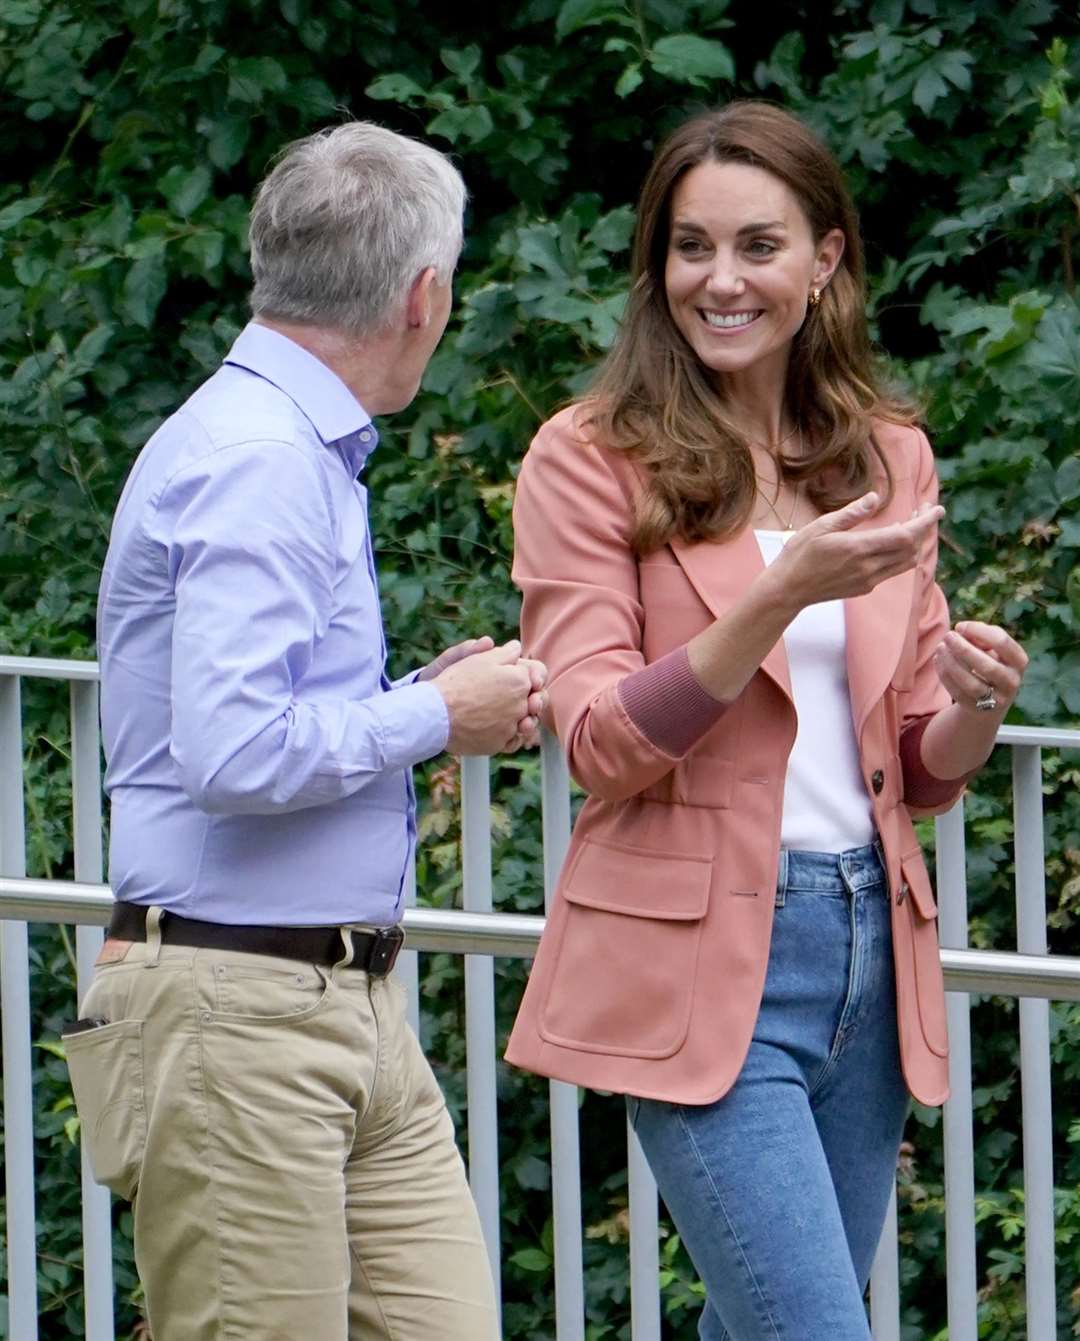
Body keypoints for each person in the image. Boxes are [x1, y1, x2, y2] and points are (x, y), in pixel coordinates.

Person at [505, 102, 1028, 1340]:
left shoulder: (887, 455)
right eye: (692, 248)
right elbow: (599, 744)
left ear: (826, 259)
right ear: (657, 264)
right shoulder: (590, 459)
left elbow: (912, 757)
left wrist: (976, 708)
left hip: (868, 947)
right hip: (700, 966)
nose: (721, 281)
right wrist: (772, 598)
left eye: (758, 246)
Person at [64, 122, 545, 1341]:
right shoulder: (266, 459)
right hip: (242, 1003)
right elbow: (230, 754)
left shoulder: (280, 447)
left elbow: (255, 718)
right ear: (425, 295)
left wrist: (411, 700)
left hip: (334, 999)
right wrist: (441, 712)